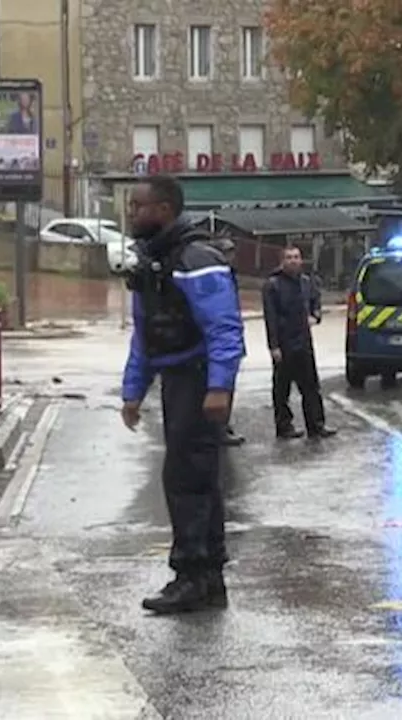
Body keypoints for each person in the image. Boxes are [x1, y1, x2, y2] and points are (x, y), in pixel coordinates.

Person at [120, 175, 243, 614]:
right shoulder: (154, 262)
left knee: (186, 479)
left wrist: (218, 386)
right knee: (195, 478)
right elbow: (146, 334)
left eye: (139, 206)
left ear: (165, 210)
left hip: (197, 376)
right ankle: (207, 576)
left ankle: (193, 575)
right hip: (177, 378)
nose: (131, 213)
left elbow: (224, 328)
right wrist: (133, 391)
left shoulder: (194, 258)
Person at [262, 245, 336, 440]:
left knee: (311, 387)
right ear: (282, 261)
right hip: (284, 344)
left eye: (296, 257)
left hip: (303, 342)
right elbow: (270, 317)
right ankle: (284, 426)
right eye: (289, 257)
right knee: (282, 388)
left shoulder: (306, 282)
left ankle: (316, 425)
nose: (294, 261)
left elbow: (315, 302)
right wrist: (274, 346)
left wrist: (315, 316)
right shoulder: (273, 285)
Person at [210, 233, 246, 448]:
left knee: (229, 385)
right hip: (218, 340)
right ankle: (218, 429)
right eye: (226, 252)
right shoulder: (214, 276)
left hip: (231, 337)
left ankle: (223, 424)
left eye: (231, 252)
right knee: (220, 385)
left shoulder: (230, 275)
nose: (230, 256)